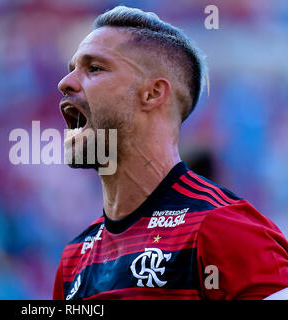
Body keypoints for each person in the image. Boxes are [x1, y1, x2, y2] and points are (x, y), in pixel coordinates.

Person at [53, 6, 288, 300]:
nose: (66, 83)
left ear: (152, 94)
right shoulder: (74, 258)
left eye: (95, 69)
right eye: (71, 69)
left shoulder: (222, 229)